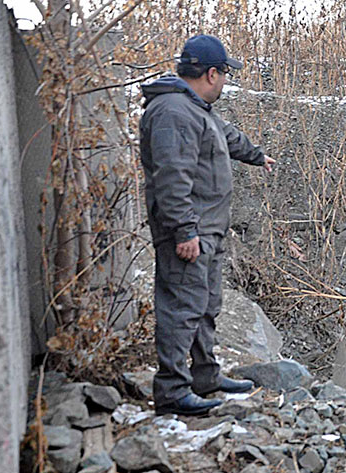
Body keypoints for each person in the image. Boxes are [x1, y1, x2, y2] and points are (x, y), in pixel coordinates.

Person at [139, 35, 276, 416]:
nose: (226, 82)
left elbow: (224, 137)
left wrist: (256, 155)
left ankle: (206, 377)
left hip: (207, 229)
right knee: (182, 307)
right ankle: (171, 391)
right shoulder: (173, 113)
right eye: (226, 74)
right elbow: (172, 177)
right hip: (190, 232)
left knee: (205, 304)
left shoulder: (195, 109)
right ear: (212, 73)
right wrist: (184, 231)